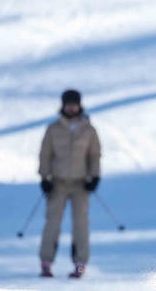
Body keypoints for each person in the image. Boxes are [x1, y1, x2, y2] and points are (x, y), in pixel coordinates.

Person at [37, 89, 102, 278]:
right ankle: (46, 262)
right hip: (57, 183)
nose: (71, 107)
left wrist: (95, 177)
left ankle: (80, 263)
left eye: (74, 104)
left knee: (80, 223)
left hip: (80, 183)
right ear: (63, 105)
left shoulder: (88, 129)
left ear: (79, 105)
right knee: (52, 223)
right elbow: (45, 154)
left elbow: (94, 154)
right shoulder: (54, 129)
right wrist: (44, 177)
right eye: (68, 104)